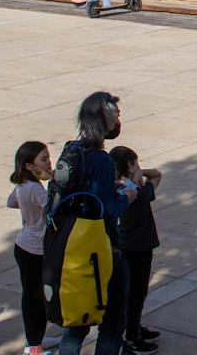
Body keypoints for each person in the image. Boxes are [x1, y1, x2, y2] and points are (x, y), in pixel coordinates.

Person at [53, 92, 137, 355]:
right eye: (116, 114)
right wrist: (127, 196)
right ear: (105, 117)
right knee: (112, 324)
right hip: (102, 249)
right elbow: (107, 209)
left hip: (72, 246)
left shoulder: (72, 149)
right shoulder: (100, 158)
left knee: (75, 325)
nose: (119, 118)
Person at [108, 146, 162, 353]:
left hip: (124, 246)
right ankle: (132, 336)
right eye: (136, 163)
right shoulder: (138, 193)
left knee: (130, 293)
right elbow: (157, 175)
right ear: (130, 165)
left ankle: (134, 328)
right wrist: (142, 173)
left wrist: (134, 175)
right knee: (137, 293)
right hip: (140, 248)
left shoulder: (118, 189)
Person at [7, 140, 52, 355]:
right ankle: (34, 346)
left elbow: (11, 202)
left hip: (25, 245)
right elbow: (54, 207)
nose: (49, 164)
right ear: (29, 166)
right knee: (35, 298)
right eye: (43, 160)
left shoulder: (24, 185)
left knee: (35, 295)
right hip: (35, 250)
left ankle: (37, 340)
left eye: (48, 158)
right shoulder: (36, 189)